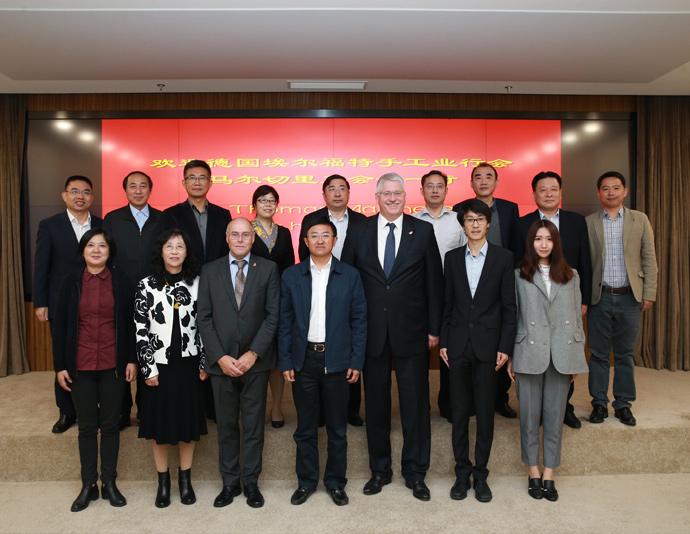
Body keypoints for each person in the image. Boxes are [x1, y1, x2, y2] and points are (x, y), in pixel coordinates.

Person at [342, 173, 443, 502]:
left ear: (405, 196)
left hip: (412, 332)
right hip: (371, 333)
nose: (392, 198)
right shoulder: (359, 230)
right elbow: (347, 281)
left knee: (416, 405)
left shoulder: (422, 231)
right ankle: (380, 471)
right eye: (386, 193)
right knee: (376, 405)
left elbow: (434, 283)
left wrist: (434, 329)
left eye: (397, 193)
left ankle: (415, 473)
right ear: (376, 197)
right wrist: (350, 329)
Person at [279, 218, 367, 507]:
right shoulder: (292, 275)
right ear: (305, 242)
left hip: (338, 360)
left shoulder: (350, 274)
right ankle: (306, 482)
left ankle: (335, 483)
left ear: (334, 240)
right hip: (304, 359)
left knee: (337, 429)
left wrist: (356, 360)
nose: (319, 240)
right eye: (313, 236)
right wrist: (286, 360)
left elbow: (359, 320)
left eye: (325, 235)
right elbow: (285, 322)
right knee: (305, 428)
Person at [51, 228, 137, 512]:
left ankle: (109, 483)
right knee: (87, 428)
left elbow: (131, 324)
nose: (96, 250)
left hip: (114, 364)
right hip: (80, 365)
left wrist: (132, 359)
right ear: (83, 251)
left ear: (110, 251)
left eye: (102, 246)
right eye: (91, 245)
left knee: (111, 425)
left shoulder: (122, 281)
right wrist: (59, 366)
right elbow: (60, 327)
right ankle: (88, 485)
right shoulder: (70, 281)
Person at [198, 218, 280, 509]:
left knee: (254, 425)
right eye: (235, 234)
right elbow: (204, 318)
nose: (241, 239)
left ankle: (251, 482)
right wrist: (219, 357)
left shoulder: (268, 269)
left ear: (253, 238)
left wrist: (253, 353)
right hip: (222, 364)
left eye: (246, 234)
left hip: (255, 363)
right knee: (226, 424)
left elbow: (273, 316)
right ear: (227, 237)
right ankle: (230, 482)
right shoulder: (210, 270)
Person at [439, 199, 516, 503]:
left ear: (488, 223)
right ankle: (461, 474)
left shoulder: (503, 257)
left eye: (480, 219)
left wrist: (505, 346)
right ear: (463, 224)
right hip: (457, 346)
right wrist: (444, 341)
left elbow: (509, 307)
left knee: (485, 414)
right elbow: (447, 303)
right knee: (459, 413)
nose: (474, 224)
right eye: (469, 219)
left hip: (489, 347)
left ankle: (481, 475)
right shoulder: (452, 258)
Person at [508, 220, 589, 502]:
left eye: (549, 239)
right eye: (538, 239)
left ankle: (549, 474)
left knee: (555, 417)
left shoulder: (572, 275)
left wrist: (576, 358)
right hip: (529, 352)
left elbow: (576, 320)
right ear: (530, 243)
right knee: (529, 418)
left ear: (556, 243)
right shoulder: (519, 275)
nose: (543, 244)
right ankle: (533, 471)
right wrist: (511, 356)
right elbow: (514, 317)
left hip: (562, 354)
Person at [512, 171, 592, 429]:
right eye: (542, 189)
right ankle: (536, 413)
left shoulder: (576, 221)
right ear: (533, 194)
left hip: (566, 298)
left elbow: (585, 260)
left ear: (560, 192)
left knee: (564, 351)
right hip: (533, 297)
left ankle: (563, 408)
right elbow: (516, 262)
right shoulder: (522, 224)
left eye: (553, 189)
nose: (548, 194)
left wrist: (584, 299)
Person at [134, 229, 208, 508]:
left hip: (189, 363)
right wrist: (147, 367)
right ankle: (162, 482)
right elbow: (140, 328)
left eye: (180, 246)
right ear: (161, 251)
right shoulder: (146, 284)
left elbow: (205, 325)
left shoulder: (198, 283)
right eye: (169, 246)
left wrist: (205, 362)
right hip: (158, 365)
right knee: (159, 425)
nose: (175, 251)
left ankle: (185, 480)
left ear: (187, 252)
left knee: (188, 422)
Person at [159, 159, 232, 420]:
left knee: (213, 339)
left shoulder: (223, 214)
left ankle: (213, 405)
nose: (197, 182)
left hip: (217, 286)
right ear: (184, 182)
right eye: (192, 177)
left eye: (202, 177)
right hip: (184, 285)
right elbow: (168, 251)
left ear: (210, 182)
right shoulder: (171, 214)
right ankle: (193, 405)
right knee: (188, 340)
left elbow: (226, 252)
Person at [586, 171, 658, 426]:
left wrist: (649, 292)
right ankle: (599, 403)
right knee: (598, 354)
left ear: (624, 191)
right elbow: (584, 263)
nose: (611, 192)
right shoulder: (589, 222)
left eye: (615, 188)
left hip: (630, 297)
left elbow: (649, 258)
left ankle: (623, 404)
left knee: (625, 354)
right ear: (599, 193)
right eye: (605, 188)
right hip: (599, 297)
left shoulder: (640, 219)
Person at [34, 175, 103, 434]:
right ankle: (66, 410)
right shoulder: (49, 225)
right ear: (64, 196)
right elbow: (41, 267)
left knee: (95, 354)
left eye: (85, 192)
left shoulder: (102, 225)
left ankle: (93, 407)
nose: (80, 196)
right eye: (74, 191)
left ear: (92, 197)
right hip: (61, 302)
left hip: (97, 301)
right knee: (63, 354)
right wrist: (41, 302)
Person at [298, 174, 367, 426]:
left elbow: (367, 257)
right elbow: (303, 255)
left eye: (342, 189)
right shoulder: (311, 219)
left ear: (349, 193)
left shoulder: (362, 221)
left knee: (348, 349)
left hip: (352, 287)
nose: (337, 193)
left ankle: (351, 410)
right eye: (331, 189)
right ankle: (321, 413)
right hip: (318, 285)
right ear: (324, 194)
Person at [453, 162, 520, 419]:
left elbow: (515, 243)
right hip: (471, 285)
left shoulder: (509, 208)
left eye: (488, 176)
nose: (483, 181)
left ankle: (500, 399)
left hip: (501, 282)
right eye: (478, 177)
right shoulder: (460, 208)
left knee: (499, 344)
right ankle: (472, 401)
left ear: (496, 182)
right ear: (471, 183)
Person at [103, 170, 162, 430]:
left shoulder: (162, 218)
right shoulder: (112, 219)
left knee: (151, 348)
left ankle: (147, 408)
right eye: (133, 186)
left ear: (150, 189)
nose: (138, 191)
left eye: (143, 186)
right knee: (123, 349)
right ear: (125, 190)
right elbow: (106, 255)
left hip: (155, 295)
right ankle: (122, 410)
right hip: (121, 293)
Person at [414, 169, 467, 423]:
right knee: (419, 354)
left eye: (439, 186)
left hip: (452, 295)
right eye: (429, 186)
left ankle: (448, 404)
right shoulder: (411, 221)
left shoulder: (459, 220)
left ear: (446, 190)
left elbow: (466, 256)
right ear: (421, 190)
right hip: (419, 296)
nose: (434, 190)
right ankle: (420, 407)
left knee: (450, 352)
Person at [249, 185, 295, 429]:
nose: (267, 204)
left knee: (277, 357)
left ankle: (276, 407)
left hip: (278, 300)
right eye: (262, 200)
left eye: (272, 201)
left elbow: (289, 267)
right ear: (254, 205)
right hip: (251, 301)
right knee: (254, 354)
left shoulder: (284, 233)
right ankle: (253, 409)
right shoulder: (245, 231)